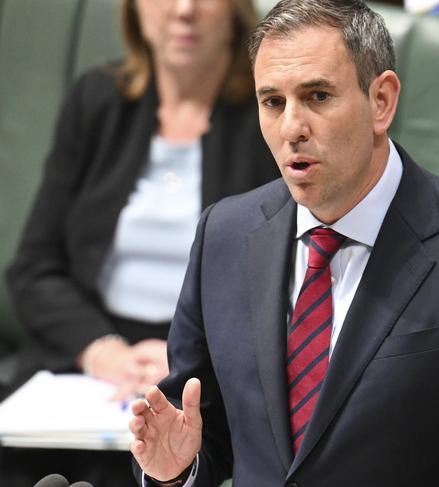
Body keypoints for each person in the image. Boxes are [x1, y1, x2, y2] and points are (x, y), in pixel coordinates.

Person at [130, 0, 439, 485]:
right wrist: (176, 472)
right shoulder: (223, 237)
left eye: (317, 96)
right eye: (273, 102)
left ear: (381, 101)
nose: (292, 127)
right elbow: (203, 434)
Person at [3, 0, 277, 485]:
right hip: (87, 362)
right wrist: (103, 352)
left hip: (202, 371)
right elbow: (34, 268)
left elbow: (281, 278)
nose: (184, 10)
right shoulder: (97, 100)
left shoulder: (270, 113)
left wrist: (184, 354)